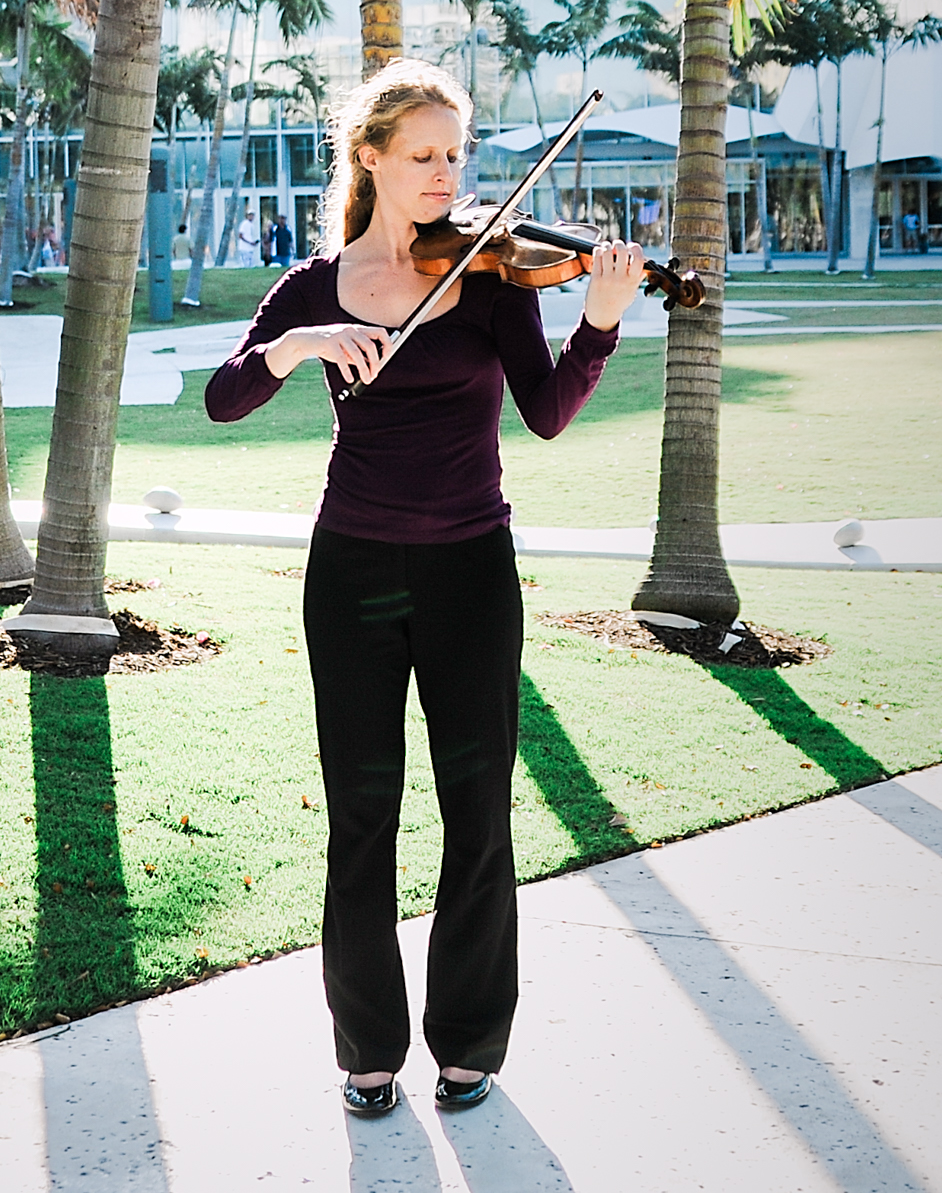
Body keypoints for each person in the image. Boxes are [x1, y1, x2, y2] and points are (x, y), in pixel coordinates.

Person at [205, 59, 641, 1119]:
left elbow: (544, 413)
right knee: (360, 816)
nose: (446, 174)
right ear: (370, 159)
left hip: (469, 573)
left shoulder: (488, 276)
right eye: (423, 156)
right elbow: (224, 398)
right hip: (351, 570)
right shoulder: (310, 290)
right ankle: (367, 1051)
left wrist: (598, 322)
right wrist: (295, 346)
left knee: (476, 814)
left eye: (456, 154)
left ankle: (468, 1043)